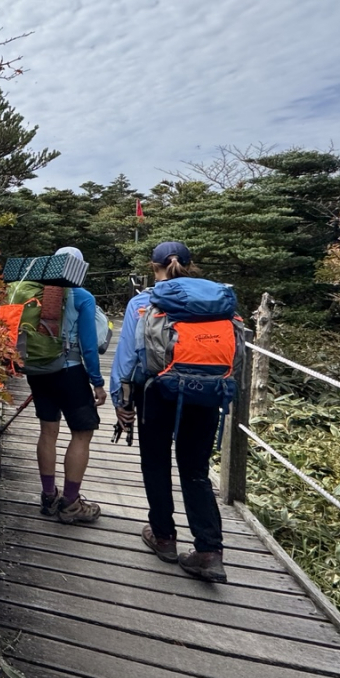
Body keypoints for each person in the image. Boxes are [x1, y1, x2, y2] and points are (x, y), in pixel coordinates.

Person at [110, 241, 227, 583]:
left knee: (156, 462)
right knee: (196, 470)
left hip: (157, 392)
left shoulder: (143, 302)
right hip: (206, 393)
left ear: (154, 265)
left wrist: (122, 399)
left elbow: (128, 357)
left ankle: (164, 537)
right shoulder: (213, 300)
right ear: (191, 265)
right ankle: (209, 551)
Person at [28, 246, 108, 524]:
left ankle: (48, 497)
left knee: (47, 432)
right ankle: (71, 503)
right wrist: (97, 382)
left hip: (38, 371)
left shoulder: (36, 294)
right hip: (70, 373)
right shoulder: (81, 296)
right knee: (82, 433)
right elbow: (89, 346)